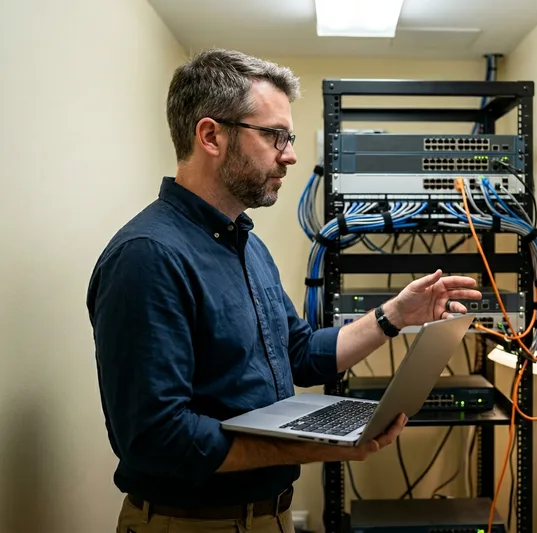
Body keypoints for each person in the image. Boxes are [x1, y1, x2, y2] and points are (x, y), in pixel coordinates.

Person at [86, 48, 481, 533]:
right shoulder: (149, 256)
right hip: (190, 522)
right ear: (211, 135)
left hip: (268, 516)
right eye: (274, 136)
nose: (290, 154)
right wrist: (320, 444)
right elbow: (158, 438)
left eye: (288, 137)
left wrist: (394, 315)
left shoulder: (246, 245)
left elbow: (297, 354)